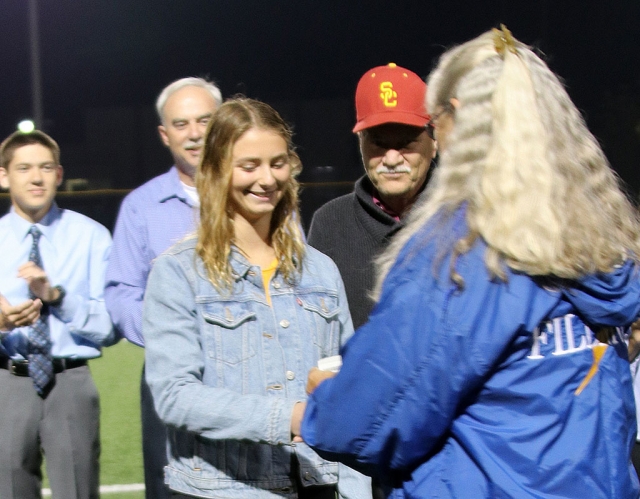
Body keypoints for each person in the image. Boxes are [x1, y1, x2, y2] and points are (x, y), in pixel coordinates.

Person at [301, 26, 640, 498]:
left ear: (456, 119)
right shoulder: (602, 235)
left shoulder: (459, 255)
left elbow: (368, 421)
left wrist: (321, 404)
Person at [143, 98, 370, 498]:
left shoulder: (320, 270)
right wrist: (289, 418)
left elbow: (349, 389)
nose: (267, 179)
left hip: (317, 484)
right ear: (215, 170)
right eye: (249, 166)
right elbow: (175, 395)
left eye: (278, 163)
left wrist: (355, 490)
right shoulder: (178, 271)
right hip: (222, 489)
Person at [104, 77, 221, 499]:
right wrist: (171, 334)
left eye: (204, 120)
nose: (193, 133)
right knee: (170, 488)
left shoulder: (258, 193)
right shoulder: (140, 206)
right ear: (164, 133)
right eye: (181, 123)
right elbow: (120, 294)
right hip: (169, 373)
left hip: (249, 371)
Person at [0, 130, 116, 499]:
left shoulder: (92, 237)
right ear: (4, 176)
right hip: (7, 379)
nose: (36, 177)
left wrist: (56, 297)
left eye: (45, 167)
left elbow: (111, 327)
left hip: (70, 382)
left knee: (78, 492)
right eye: (24, 168)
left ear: (59, 174)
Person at [307, 63, 436, 329]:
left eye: (406, 142)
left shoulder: (464, 215)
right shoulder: (329, 223)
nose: (391, 159)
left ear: (434, 144)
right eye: (378, 143)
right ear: (361, 145)